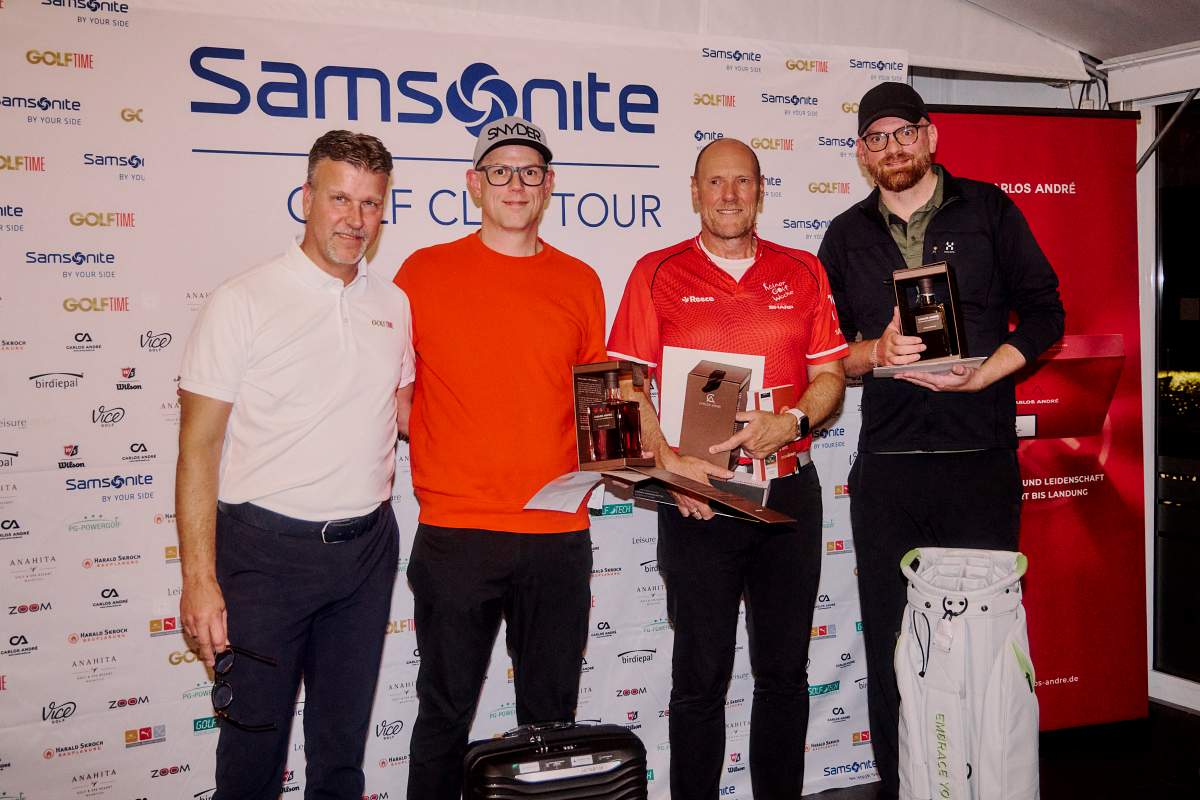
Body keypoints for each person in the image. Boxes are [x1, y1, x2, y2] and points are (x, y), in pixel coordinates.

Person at [817, 82, 1065, 799]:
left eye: (904, 133)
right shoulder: (843, 235)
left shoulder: (989, 210)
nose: (892, 148)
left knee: (983, 649)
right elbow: (826, 354)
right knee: (892, 646)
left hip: (978, 465)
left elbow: (1046, 313)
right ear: (862, 153)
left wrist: (988, 373)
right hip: (888, 473)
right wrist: (874, 352)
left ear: (930, 137)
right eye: (877, 138)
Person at [176, 130, 414, 800]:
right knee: (251, 757)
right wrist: (199, 581)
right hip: (263, 558)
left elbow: (406, 414)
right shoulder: (243, 300)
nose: (355, 219)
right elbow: (198, 448)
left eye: (371, 203)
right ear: (307, 198)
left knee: (340, 758)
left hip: (366, 554)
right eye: (340, 198)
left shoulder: (392, 304)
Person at [607, 137, 848, 798]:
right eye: (716, 182)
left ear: (760, 191)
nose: (730, 195)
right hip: (700, 502)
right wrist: (669, 466)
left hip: (789, 494)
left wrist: (792, 422)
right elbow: (625, 383)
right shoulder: (656, 271)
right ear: (695, 192)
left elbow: (830, 377)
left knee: (784, 675)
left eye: (743, 181)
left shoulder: (803, 269)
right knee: (699, 679)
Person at [394, 116, 606, 800]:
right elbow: (394, 391)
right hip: (457, 534)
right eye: (500, 170)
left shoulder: (579, 280)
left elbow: (599, 402)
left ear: (549, 185)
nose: (516, 184)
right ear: (474, 184)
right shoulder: (422, 272)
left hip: (557, 534)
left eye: (530, 172)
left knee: (551, 723)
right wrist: (448, 446)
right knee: (444, 714)